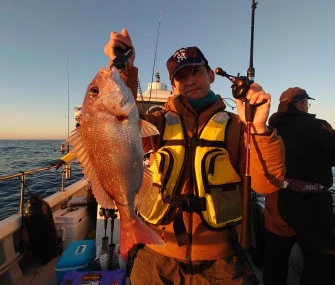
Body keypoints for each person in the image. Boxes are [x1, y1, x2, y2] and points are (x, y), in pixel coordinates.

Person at [104, 28, 286, 284]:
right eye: (180, 76)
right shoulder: (157, 122)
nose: (189, 80)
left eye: (196, 71)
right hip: (156, 259)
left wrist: (257, 127)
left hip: (220, 265)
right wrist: (123, 67)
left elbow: (266, 184)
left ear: (211, 75)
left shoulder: (237, 126)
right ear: (174, 85)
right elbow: (117, 126)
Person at [263, 87, 335, 285]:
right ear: (303, 104)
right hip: (312, 207)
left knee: (275, 259)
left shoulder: (269, 131)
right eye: (307, 103)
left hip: (275, 203)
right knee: (320, 263)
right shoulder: (317, 126)